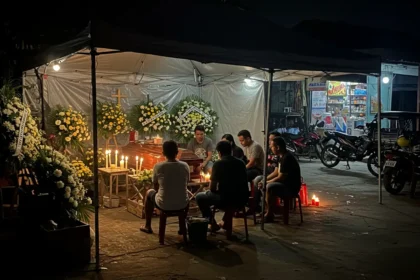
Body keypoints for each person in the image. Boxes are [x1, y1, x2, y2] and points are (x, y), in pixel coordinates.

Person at [195, 141, 248, 230]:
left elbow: (212, 188)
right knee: (229, 196)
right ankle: (225, 222)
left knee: (200, 197)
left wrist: (209, 191)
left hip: (224, 199)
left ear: (219, 153)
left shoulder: (218, 164)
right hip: (242, 199)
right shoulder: (241, 163)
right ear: (231, 151)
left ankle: (212, 223)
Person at [140, 140, 190, 234]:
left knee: (149, 193)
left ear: (163, 153)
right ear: (177, 152)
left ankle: (147, 226)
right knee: (185, 196)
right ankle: (182, 227)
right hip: (183, 202)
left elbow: (155, 186)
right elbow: (186, 183)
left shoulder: (159, 166)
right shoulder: (185, 165)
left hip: (164, 203)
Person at [260, 136, 301, 223]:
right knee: (263, 182)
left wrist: (266, 182)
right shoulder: (280, 156)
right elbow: (276, 172)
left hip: (291, 186)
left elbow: (281, 177)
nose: (271, 148)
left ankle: (270, 213)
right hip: (284, 183)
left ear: (278, 147)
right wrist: (264, 180)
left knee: (269, 186)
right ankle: (269, 210)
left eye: (272, 146)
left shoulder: (287, 158)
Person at [253, 131, 282, 212]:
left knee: (263, 183)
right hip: (267, 173)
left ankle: (268, 208)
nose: (269, 142)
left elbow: (276, 173)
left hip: (275, 176)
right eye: (269, 139)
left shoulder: (280, 154)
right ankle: (257, 205)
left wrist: (265, 180)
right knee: (256, 180)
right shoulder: (269, 150)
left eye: (272, 140)